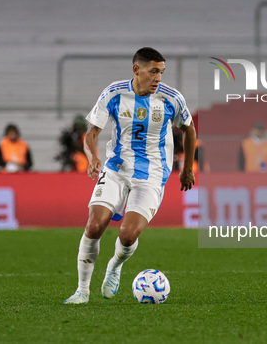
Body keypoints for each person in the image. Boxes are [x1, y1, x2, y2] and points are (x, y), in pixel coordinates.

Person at [64, 47, 196, 304]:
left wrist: (187, 169)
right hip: (116, 170)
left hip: (152, 175)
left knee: (128, 234)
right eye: (153, 71)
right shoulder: (114, 93)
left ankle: (114, 266)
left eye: (161, 72)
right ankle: (82, 290)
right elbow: (91, 133)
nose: (158, 78)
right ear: (137, 70)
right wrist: (93, 159)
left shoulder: (171, 98)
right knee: (93, 226)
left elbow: (189, 130)